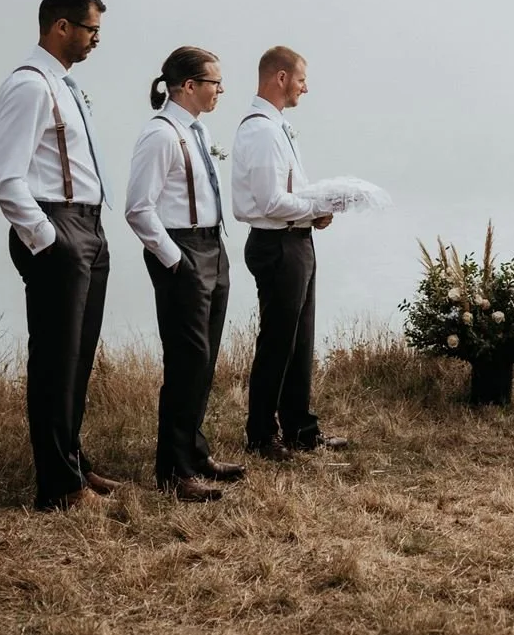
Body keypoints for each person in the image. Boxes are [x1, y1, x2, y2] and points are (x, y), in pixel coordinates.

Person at [0, 0, 120, 511]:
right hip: (58, 227)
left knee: (78, 357)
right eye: (92, 29)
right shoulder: (30, 85)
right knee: (56, 360)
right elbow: (3, 177)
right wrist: (49, 239)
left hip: (87, 225)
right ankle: (59, 487)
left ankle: (74, 463)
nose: (96, 40)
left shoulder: (62, 84)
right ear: (61, 26)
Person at [125, 46, 243, 502]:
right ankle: (173, 471)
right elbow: (139, 209)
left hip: (213, 246)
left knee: (205, 358)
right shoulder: (160, 135)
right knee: (186, 361)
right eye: (215, 83)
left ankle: (195, 452)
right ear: (189, 86)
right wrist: (176, 260)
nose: (221, 91)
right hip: (183, 251)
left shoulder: (196, 130)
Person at [233, 46, 348, 459]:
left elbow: (289, 192)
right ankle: (261, 434)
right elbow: (268, 201)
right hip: (277, 244)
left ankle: (300, 428)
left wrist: (314, 213)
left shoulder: (277, 126)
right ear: (280, 78)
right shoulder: (261, 130)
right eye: (301, 79)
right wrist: (316, 208)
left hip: (296, 240)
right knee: (278, 342)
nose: (305, 87)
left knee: (300, 341)